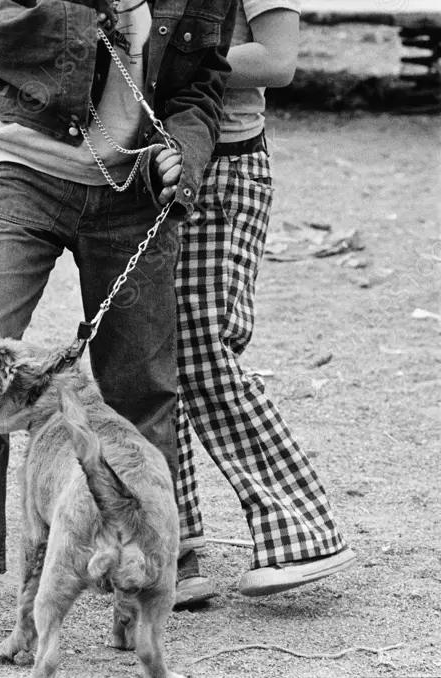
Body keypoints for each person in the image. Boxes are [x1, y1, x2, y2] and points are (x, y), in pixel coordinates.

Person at [0, 0, 238, 620]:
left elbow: (200, 88)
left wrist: (185, 155)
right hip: (26, 172)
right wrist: (82, 28)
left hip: (136, 196)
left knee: (141, 380)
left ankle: (147, 563)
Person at [173, 0, 356, 607]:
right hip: (144, 163)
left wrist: (161, 62)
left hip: (224, 168)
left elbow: (277, 61)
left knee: (202, 352)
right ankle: (171, 545)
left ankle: (303, 530)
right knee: (142, 356)